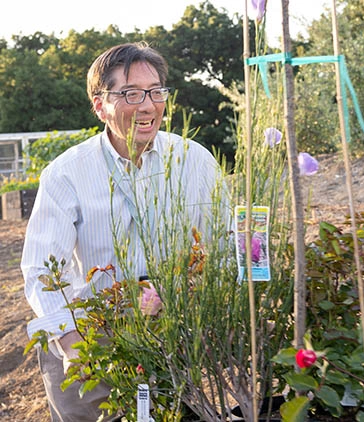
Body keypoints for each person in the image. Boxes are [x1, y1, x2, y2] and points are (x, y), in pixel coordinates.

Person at [21, 42, 224, 421]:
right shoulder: (67, 173)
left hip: (170, 333)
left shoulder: (194, 161)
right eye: (131, 93)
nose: (148, 105)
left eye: (156, 91)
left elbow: (223, 249)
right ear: (100, 105)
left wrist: (193, 304)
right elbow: (41, 271)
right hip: (89, 335)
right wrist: (76, 347)